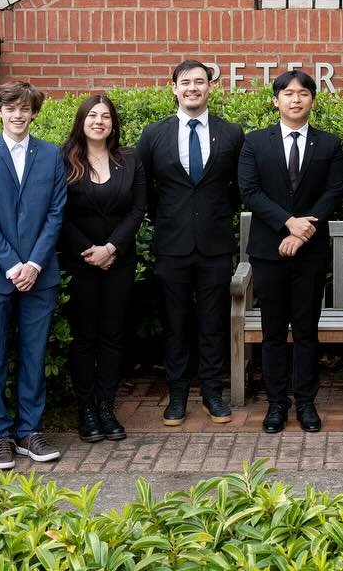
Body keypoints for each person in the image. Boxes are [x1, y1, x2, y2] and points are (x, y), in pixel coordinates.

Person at [0, 81, 68, 470]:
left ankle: (29, 431)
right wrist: (12, 264)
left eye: (25, 109)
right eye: (10, 108)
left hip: (40, 274)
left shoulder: (51, 155)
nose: (18, 115)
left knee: (34, 354)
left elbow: (56, 212)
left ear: (34, 113)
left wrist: (35, 264)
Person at [238, 70, 343, 434]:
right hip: (269, 252)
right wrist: (288, 222)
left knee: (305, 331)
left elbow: (334, 193)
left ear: (312, 100)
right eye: (288, 93)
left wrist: (302, 233)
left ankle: (305, 403)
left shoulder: (329, 145)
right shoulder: (255, 143)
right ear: (276, 100)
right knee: (272, 332)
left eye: (303, 93)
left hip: (310, 252)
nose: (295, 99)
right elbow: (250, 191)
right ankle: (276, 404)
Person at [136, 60, 244, 425]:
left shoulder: (231, 134)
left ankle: (213, 392)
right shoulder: (154, 136)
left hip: (214, 245)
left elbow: (238, 191)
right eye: (186, 82)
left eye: (200, 82)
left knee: (213, 322)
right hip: (172, 245)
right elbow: (144, 191)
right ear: (173, 88)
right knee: (175, 322)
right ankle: (178, 394)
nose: (193, 88)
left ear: (210, 87)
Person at [58, 94, 147, 443]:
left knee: (112, 336)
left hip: (118, 262)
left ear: (113, 123)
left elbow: (138, 208)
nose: (99, 121)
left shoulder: (130, 159)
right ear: (82, 121)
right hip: (78, 262)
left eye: (105, 116)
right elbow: (58, 212)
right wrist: (88, 250)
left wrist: (111, 248)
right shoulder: (64, 160)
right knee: (83, 338)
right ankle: (86, 410)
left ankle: (107, 407)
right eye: (92, 115)